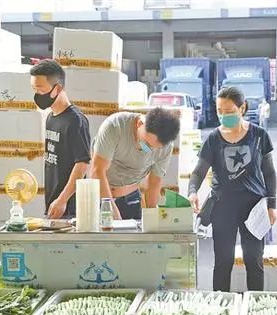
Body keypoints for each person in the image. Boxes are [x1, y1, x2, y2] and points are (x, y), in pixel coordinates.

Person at [188, 86, 277, 291]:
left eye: (229, 111)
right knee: (222, 263)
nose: (223, 116)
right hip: (223, 208)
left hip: (253, 209)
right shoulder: (213, 138)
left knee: (254, 261)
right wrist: (192, 192)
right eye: (220, 111)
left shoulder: (259, 136)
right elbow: (199, 171)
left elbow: (269, 173)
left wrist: (272, 205)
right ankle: (222, 307)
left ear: (242, 108)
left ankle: (254, 307)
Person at [88, 108, 181, 219]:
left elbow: (154, 183)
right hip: (100, 198)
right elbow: (97, 171)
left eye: (154, 148)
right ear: (139, 124)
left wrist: (154, 219)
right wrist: (111, 211)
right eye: (146, 143)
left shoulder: (165, 148)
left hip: (131, 200)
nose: (149, 149)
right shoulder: (115, 126)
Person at [30, 60, 90, 219]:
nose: (37, 94)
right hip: (53, 202)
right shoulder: (51, 117)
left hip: (69, 208)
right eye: (34, 89)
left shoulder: (75, 121)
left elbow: (82, 164)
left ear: (57, 88)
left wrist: (63, 199)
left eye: (40, 89)